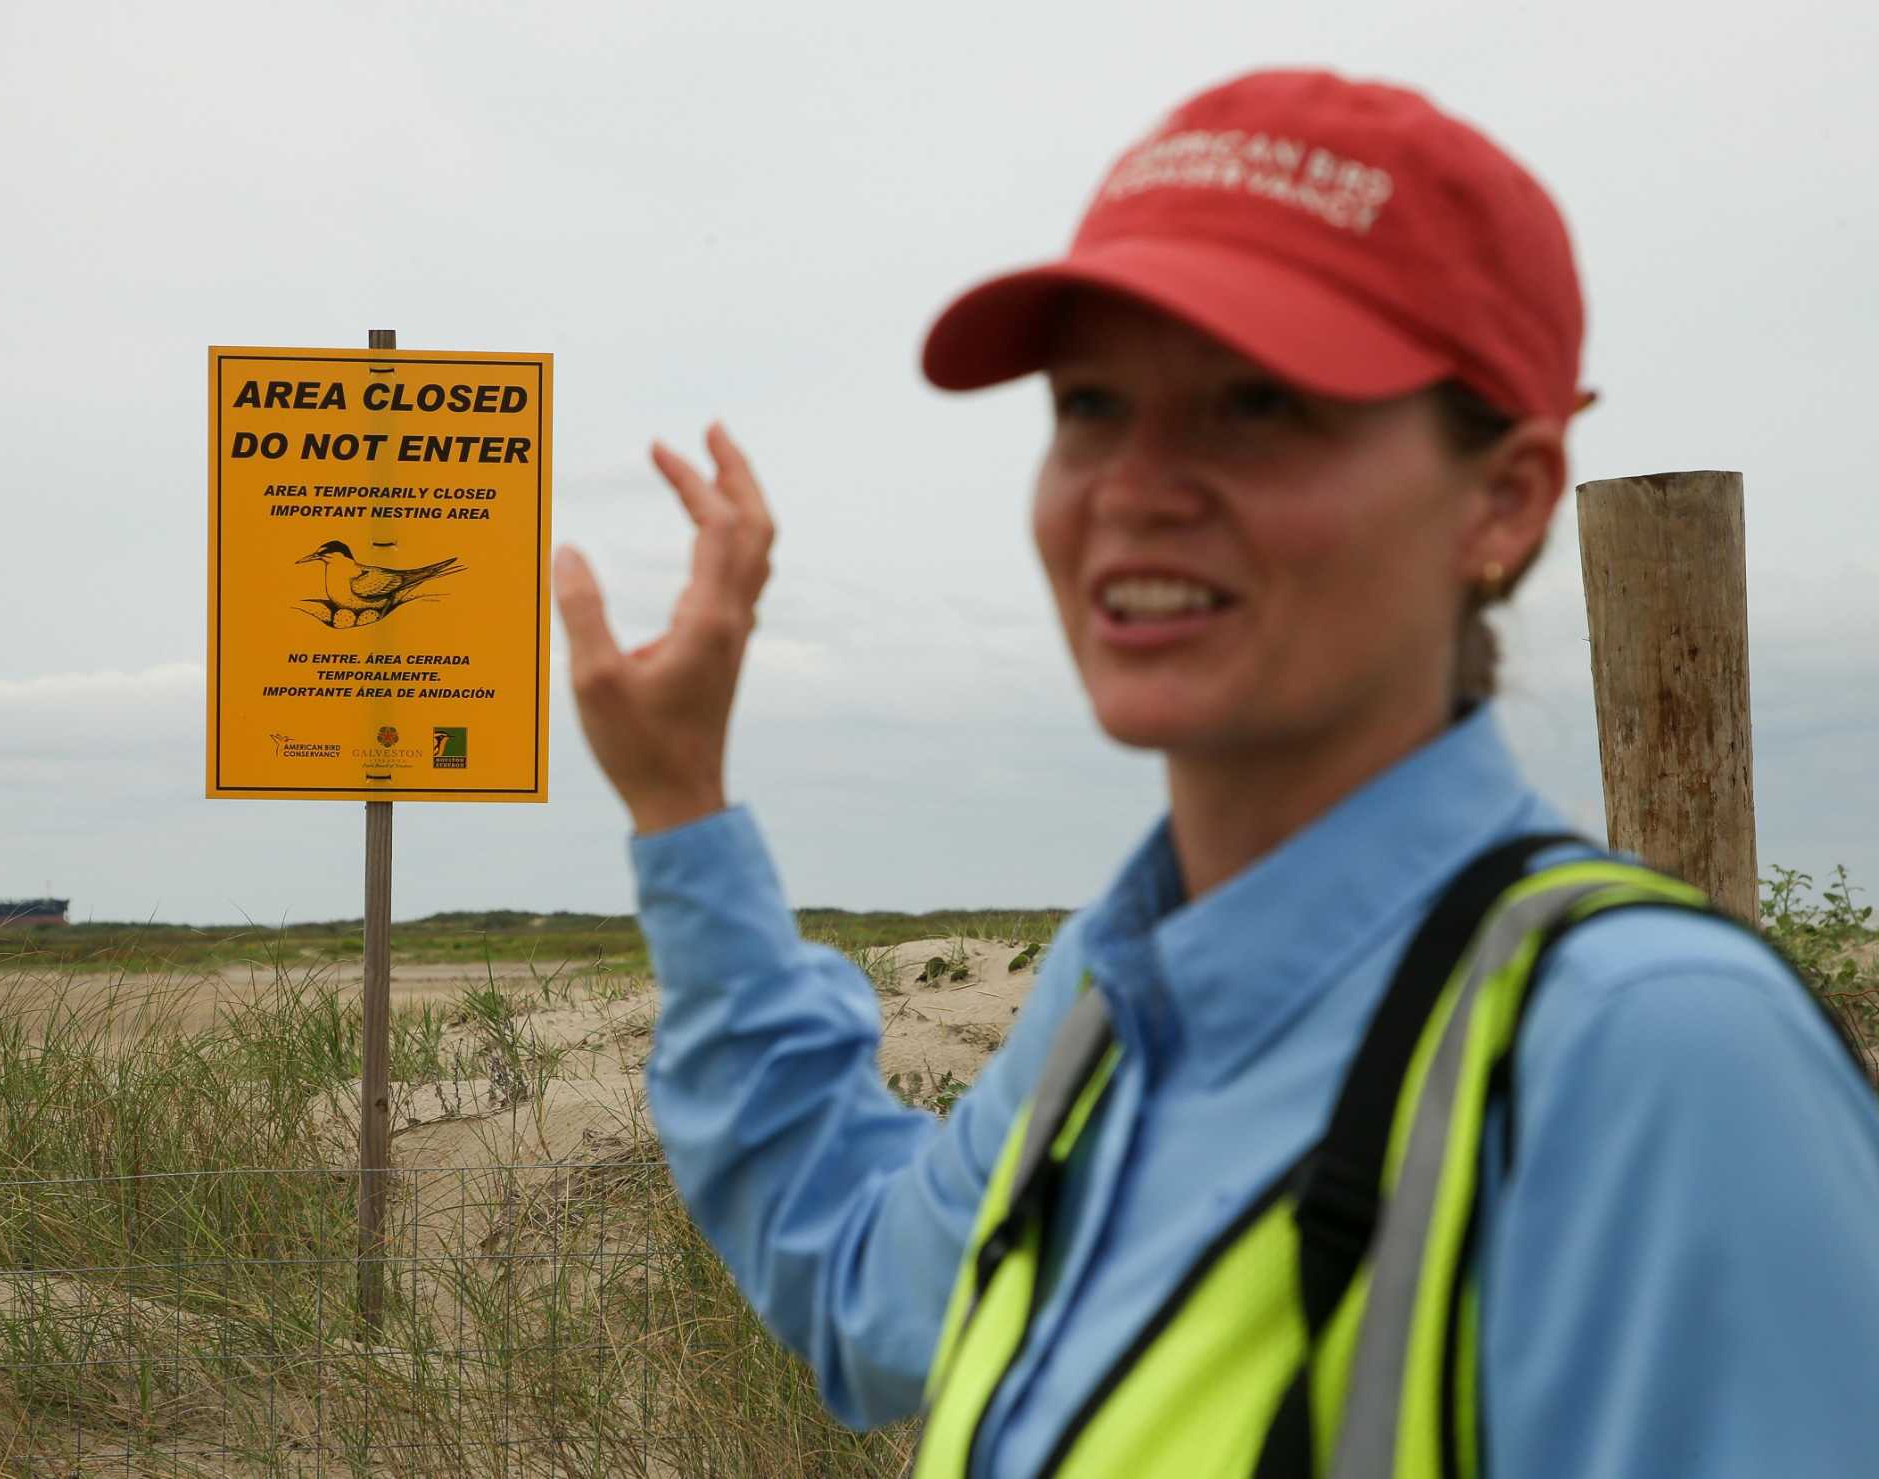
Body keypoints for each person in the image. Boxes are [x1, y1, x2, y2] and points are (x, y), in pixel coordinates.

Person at [551, 69, 1879, 1477]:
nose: (1135, 482)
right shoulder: (1116, 1000)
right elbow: (866, 1286)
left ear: (1506, 497)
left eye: (1258, 403)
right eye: (1091, 403)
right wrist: (681, 807)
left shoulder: (1650, 1059)